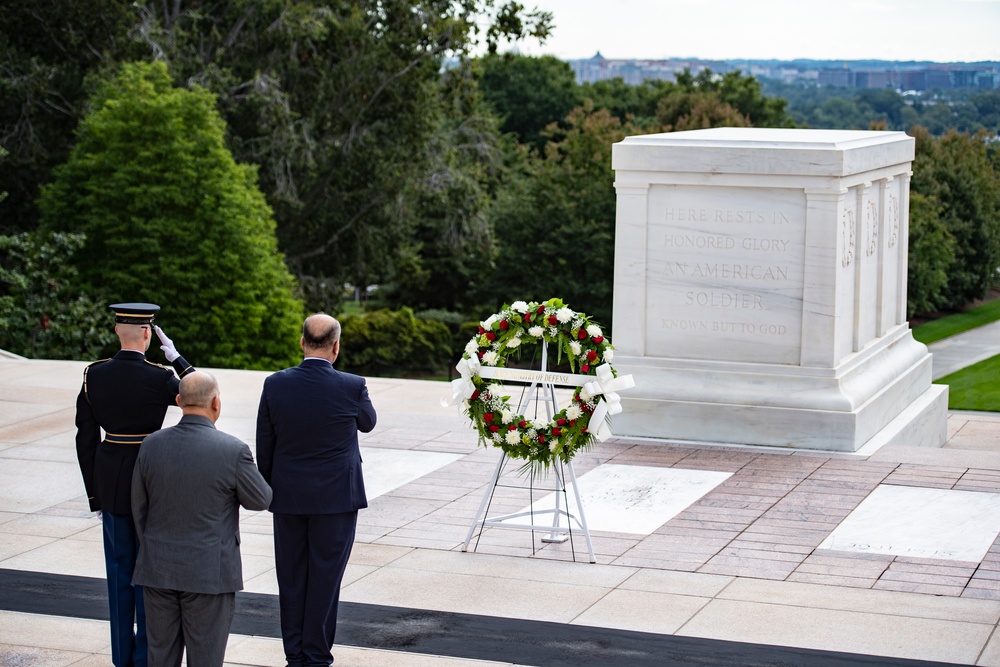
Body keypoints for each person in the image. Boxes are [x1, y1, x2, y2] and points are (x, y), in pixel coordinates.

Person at [75, 303, 196, 667]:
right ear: (148, 334)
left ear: (117, 331)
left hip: (111, 480)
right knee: (150, 576)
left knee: (119, 574)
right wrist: (178, 359)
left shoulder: (94, 375)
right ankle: (146, 657)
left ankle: (121, 657)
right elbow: (202, 397)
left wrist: (94, 494)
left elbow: (85, 438)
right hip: (152, 480)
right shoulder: (160, 377)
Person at [255, 313, 377, 667]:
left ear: (301, 342)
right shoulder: (352, 385)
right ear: (336, 346)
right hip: (336, 500)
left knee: (291, 579)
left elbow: (266, 444)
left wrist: (269, 490)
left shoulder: (275, 384)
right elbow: (368, 423)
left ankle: (295, 655)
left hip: (288, 498)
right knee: (325, 580)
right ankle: (317, 656)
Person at [132, 371, 272, 667]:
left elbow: (139, 508)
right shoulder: (233, 450)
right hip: (210, 573)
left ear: (179, 401)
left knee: (159, 658)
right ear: (216, 403)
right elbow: (261, 499)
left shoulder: (151, 445)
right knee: (206, 659)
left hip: (158, 569)